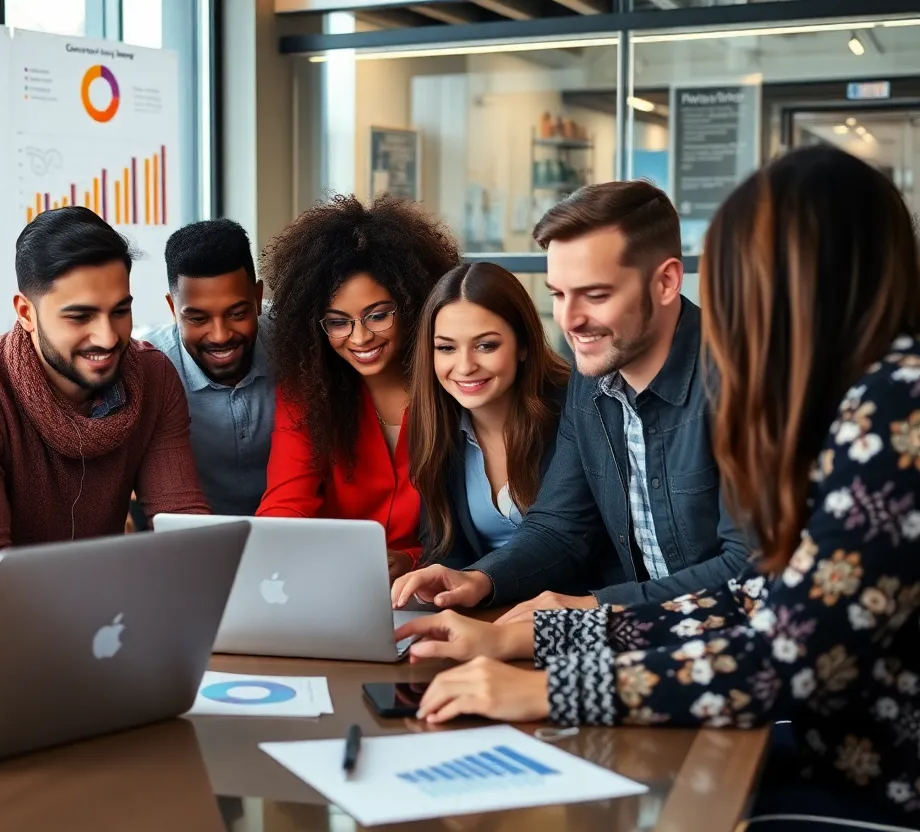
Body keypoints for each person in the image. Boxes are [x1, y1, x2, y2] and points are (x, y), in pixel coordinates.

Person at [396, 146, 920, 825]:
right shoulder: (874, 396)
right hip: (843, 752)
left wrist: (553, 685)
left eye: (741, 282)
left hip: (882, 783)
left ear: (803, 285)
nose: (731, 312)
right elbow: (750, 599)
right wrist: (543, 636)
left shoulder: (893, 406)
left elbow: (783, 655)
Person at [393, 180, 750, 613]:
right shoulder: (591, 382)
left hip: (727, 644)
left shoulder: (744, 382)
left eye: (595, 295)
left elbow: (748, 568)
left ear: (667, 282)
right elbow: (561, 526)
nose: (570, 320)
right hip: (641, 635)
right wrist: (479, 579)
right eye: (559, 295)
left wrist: (592, 609)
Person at [0, 206, 207, 557]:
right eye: (80, 316)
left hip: (107, 602)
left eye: (120, 311)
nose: (107, 337)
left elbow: (185, 529)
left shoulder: (153, 376)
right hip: (5, 609)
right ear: (26, 313)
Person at [255, 194, 460, 583]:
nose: (360, 337)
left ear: (413, 304)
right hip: (330, 584)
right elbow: (286, 503)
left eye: (378, 315)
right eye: (338, 322)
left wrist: (413, 558)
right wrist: (274, 561)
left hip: (438, 589)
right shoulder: (307, 394)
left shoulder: (452, 383)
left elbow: (482, 524)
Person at [407, 262, 571, 570]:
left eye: (486, 345)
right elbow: (443, 549)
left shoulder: (572, 411)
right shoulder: (434, 421)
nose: (465, 366)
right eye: (446, 348)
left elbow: (578, 544)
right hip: (484, 608)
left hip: (570, 605)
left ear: (523, 345)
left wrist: (477, 585)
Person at [143, 218, 274, 516]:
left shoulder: (297, 343)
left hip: (298, 532)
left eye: (237, 313)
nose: (220, 335)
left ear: (257, 298)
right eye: (198, 319)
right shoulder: (148, 368)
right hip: (194, 540)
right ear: (172, 309)